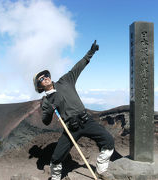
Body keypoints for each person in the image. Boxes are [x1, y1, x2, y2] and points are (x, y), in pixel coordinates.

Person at [33, 40, 115, 180]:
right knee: (56, 157)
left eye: (46, 75)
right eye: (41, 79)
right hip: (71, 127)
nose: (45, 78)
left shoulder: (65, 80)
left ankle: (101, 170)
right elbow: (46, 121)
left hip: (86, 119)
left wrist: (91, 52)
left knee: (108, 141)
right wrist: (49, 110)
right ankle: (56, 177)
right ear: (39, 86)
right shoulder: (46, 101)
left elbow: (78, 67)